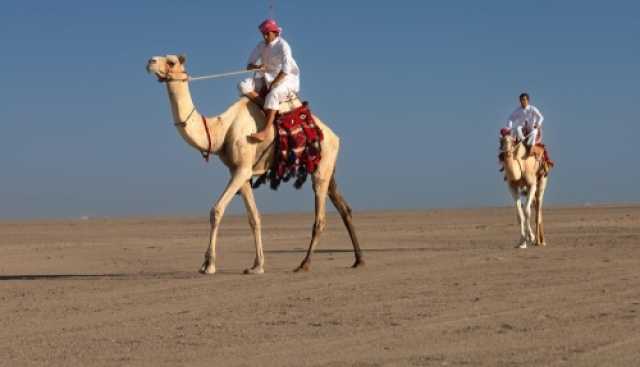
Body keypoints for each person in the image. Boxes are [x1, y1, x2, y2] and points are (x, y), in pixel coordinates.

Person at [239, 19, 300, 142]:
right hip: (266, 76)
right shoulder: (261, 46)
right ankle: (268, 108)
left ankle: (265, 131)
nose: (265, 36)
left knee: (273, 94)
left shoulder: (283, 46)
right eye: (263, 34)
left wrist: (274, 83)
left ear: (275, 33)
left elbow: (286, 70)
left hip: (286, 79)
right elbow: (249, 65)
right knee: (243, 85)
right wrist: (257, 67)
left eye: (268, 33)